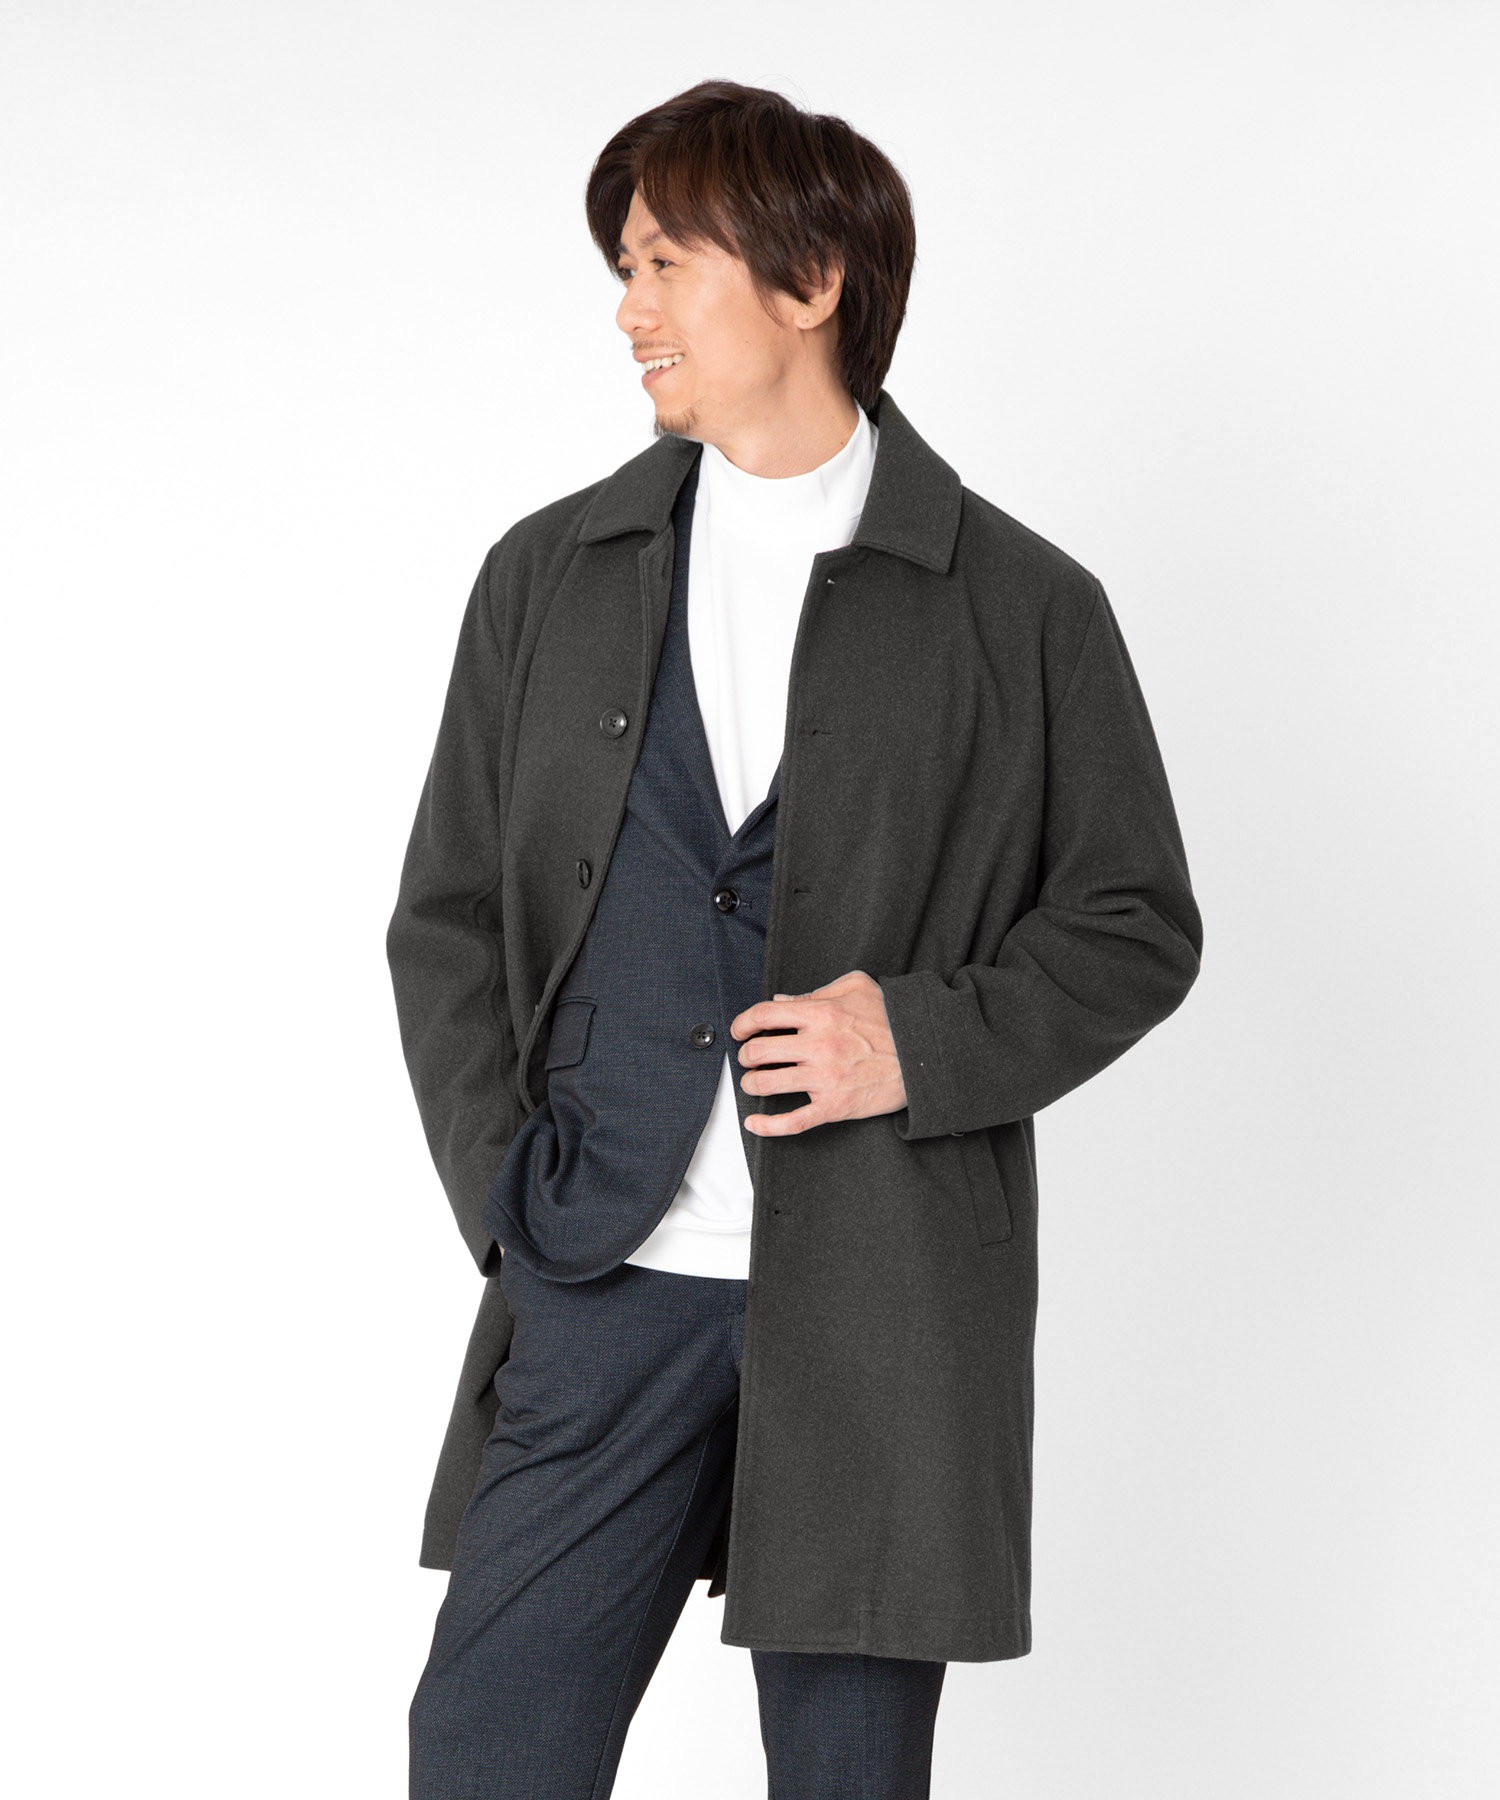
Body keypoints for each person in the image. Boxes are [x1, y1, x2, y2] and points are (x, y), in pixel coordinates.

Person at [386, 77, 1202, 1800]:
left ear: (811, 279)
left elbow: (1135, 921)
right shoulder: (548, 576)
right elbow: (446, 917)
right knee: (486, 1749)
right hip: (602, 1276)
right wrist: (506, 1203)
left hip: (884, 1302)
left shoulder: (1021, 607)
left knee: (846, 1779)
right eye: (625, 269)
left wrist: (919, 1037)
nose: (630, 311)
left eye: (665, 263)